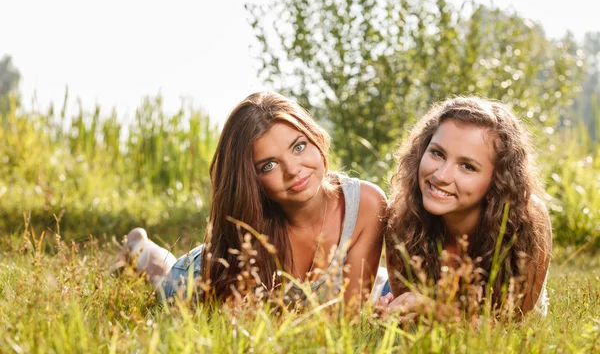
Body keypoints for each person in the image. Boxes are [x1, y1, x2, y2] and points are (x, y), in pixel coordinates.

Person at [112, 91, 386, 306]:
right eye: (269, 165)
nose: (293, 169)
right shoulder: (254, 230)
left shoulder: (366, 204)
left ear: (316, 139)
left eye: (299, 147)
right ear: (251, 181)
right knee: (165, 281)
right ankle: (139, 246)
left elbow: (348, 317)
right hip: (204, 274)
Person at [382, 96, 552, 320]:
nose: (441, 176)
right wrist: (396, 311)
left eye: (467, 166)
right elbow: (409, 316)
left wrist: (436, 311)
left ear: (498, 179)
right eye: (437, 153)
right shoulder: (402, 214)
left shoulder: (528, 222)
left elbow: (511, 327)